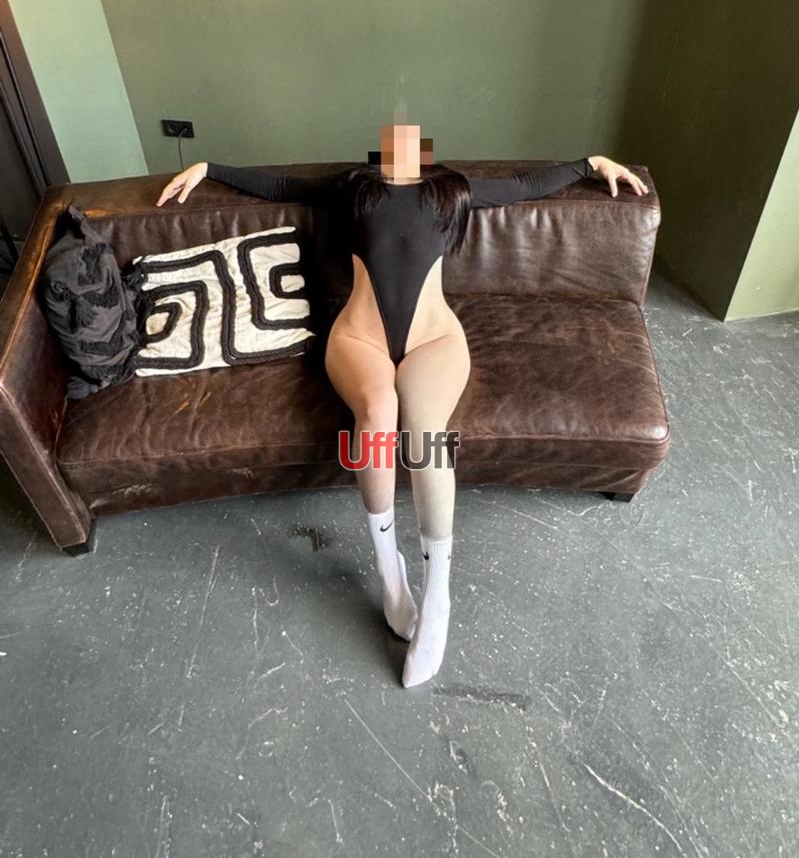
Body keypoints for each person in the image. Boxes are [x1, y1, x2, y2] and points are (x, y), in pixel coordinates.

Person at [156, 125, 647, 687]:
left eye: (413, 142)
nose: (403, 145)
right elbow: (279, 185)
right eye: (393, 142)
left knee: (426, 431)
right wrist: (209, 168)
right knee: (377, 414)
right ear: (379, 154)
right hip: (358, 338)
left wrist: (590, 163)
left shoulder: (453, 189)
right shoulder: (351, 186)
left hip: (434, 339)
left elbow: (525, 184)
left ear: (428, 155)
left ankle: (437, 594)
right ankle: (390, 572)